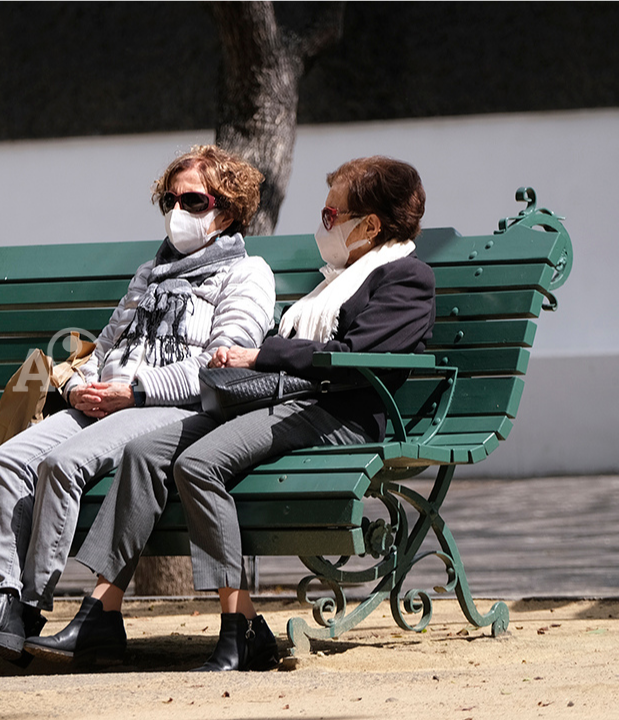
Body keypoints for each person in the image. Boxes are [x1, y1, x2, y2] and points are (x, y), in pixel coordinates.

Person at [27, 156, 435, 671]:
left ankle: (240, 627)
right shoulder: (339, 279)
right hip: (283, 399)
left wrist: (259, 356)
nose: (323, 224)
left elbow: (355, 354)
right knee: (144, 450)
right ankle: (102, 613)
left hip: (336, 414)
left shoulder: (407, 278)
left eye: (332, 215)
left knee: (199, 465)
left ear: (371, 225)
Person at [0, 145, 276, 663]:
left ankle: (28, 608)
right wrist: (78, 387)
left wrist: (136, 392)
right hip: (104, 401)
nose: (177, 211)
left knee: (61, 464)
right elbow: (105, 349)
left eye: (192, 201)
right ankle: (2, 599)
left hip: (169, 408)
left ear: (227, 211)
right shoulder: (149, 273)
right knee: (8, 458)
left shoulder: (247, 274)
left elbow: (220, 366)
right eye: (169, 200)